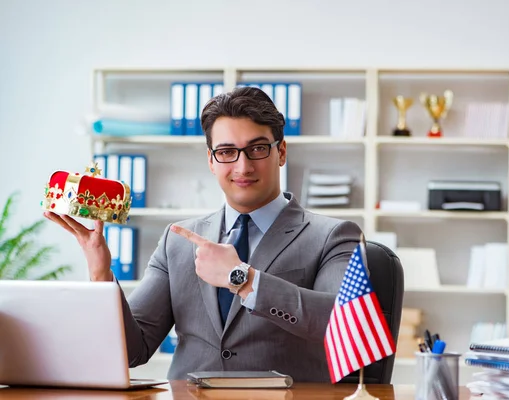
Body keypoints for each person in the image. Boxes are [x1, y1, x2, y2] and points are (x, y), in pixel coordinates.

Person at [44, 86, 363, 382]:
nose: (242, 166)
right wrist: (100, 269)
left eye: (257, 149)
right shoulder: (178, 240)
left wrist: (244, 279)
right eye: (226, 152)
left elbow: (343, 326)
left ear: (281, 152)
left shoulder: (332, 236)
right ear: (211, 160)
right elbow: (131, 350)